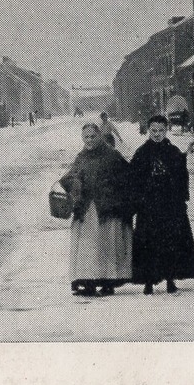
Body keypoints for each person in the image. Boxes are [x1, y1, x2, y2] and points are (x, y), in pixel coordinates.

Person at [61, 121, 135, 297]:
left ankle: (108, 283)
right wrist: (70, 183)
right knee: (88, 247)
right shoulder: (81, 156)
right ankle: (88, 283)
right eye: (86, 137)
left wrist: (118, 196)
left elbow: (127, 176)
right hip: (87, 209)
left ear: (99, 136)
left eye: (93, 136)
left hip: (107, 209)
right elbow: (71, 175)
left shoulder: (111, 155)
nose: (89, 140)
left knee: (106, 246)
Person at [129, 113, 194, 294]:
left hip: (169, 205)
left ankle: (170, 279)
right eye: (153, 130)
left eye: (161, 130)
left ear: (166, 131)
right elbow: (133, 176)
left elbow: (180, 173)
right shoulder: (142, 152)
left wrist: (181, 197)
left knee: (170, 242)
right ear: (148, 130)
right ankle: (148, 281)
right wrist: (137, 199)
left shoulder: (172, 151)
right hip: (148, 206)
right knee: (149, 242)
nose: (157, 134)